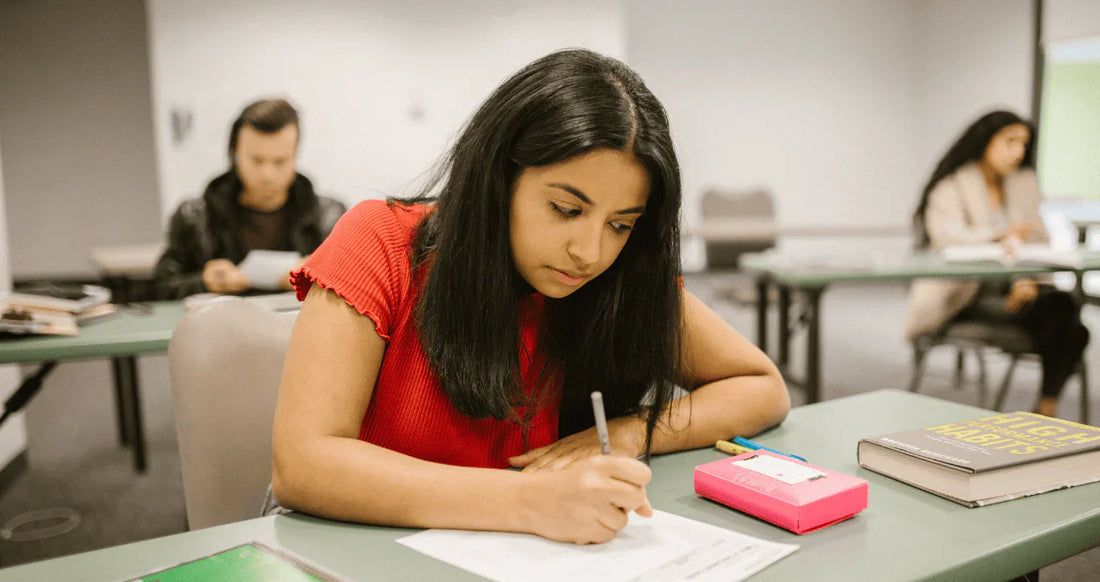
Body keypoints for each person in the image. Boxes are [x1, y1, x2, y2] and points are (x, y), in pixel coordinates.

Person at [271, 49, 790, 545]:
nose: (590, 252)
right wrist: (528, 500)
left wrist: (631, 433)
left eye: (620, 224)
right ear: (499, 178)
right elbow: (303, 465)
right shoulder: (381, 242)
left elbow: (760, 386)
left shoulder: (622, 278)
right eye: (566, 209)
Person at [905, 110, 1089, 417]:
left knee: (1064, 314)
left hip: (1019, 290)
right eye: (1009, 142)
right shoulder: (951, 186)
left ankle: (1046, 406)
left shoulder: (1023, 184)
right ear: (984, 142)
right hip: (965, 294)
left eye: (1023, 144)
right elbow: (947, 240)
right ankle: (1046, 408)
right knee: (1069, 323)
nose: (1018, 152)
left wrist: (1026, 281)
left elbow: (1036, 243)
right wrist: (998, 235)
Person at [154, 98, 346, 299]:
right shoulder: (195, 216)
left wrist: (317, 277)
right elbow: (159, 288)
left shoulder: (329, 217)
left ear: (295, 154)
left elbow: (358, 289)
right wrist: (203, 282)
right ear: (236, 153)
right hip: (220, 327)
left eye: (280, 161)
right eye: (256, 160)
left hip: (302, 328)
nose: (267, 175)